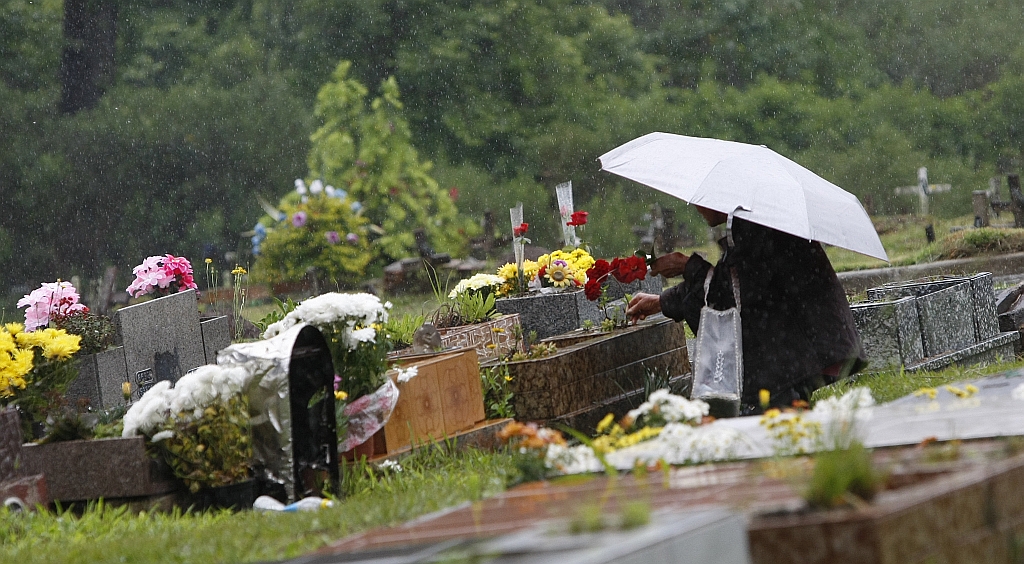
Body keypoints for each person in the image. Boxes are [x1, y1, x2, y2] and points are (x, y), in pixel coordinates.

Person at [626, 206, 866, 412]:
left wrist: (688, 267)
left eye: (701, 202)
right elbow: (729, 277)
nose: (697, 208)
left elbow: (734, 291)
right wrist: (662, 301)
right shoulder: (750, 220)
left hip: (795, 344)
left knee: (773, 421)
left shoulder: (758, 224)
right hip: (795, 342)